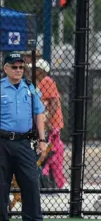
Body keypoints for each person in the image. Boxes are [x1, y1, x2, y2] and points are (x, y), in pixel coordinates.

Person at [0, 53, 47, 221]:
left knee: (30, 181)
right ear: (6, 69)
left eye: (21, 67)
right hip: (2, 142)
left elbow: (39, 114)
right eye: (14, 67)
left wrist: (42, 140)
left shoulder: (30, 88)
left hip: (24, 142)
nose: (18, 70)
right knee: (1, 183)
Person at [34, 59, 66, 188]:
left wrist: (46, 121)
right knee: (49, 152)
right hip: (47, 124)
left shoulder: (47, 81)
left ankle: (52, 182)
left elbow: (54, 102)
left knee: (51, 152)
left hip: (51, 125)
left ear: (41, 71)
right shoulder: (40, 83)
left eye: (36, 69)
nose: (34, 71)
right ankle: (51, 181)